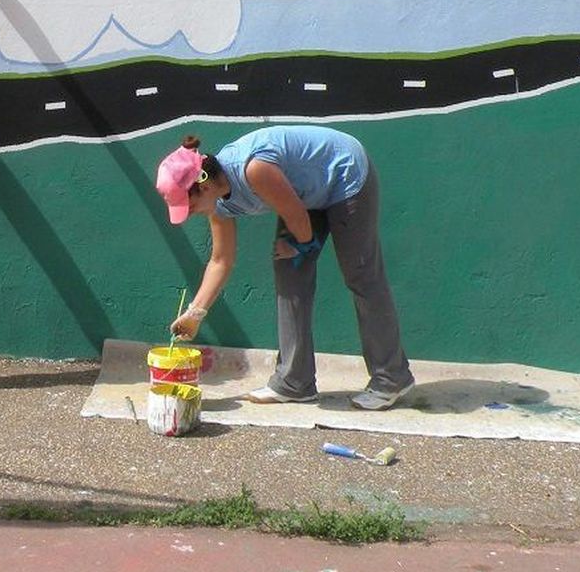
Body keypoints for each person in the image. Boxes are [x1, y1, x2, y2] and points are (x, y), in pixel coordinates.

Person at [154, 125, 414, 410]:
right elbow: (221, 260)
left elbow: (299, 220)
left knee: (361, 274)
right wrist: (195, 314)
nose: (189, 214)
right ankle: (294, 382)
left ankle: (391, 379)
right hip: (303, 192)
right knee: (289, 272)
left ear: (203, 186)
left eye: (189, 207)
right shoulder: (218, 202)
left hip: (344, 173)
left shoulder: (254, 169)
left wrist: (301, 246)